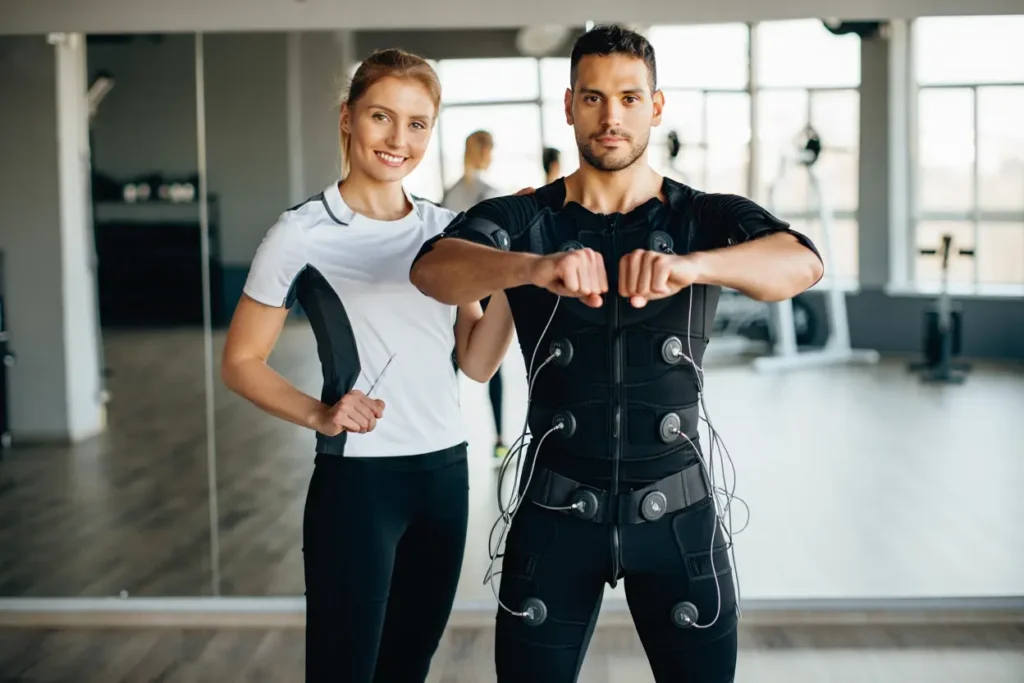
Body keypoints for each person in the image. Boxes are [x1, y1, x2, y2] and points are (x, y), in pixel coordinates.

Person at [409, 25, 824, 683]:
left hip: (681, 520)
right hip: (552, 518)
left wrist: (692, 267)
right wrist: (535, 267)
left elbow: (800, 263)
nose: (612, 117)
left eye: (630, 98)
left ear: (655, 107)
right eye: (595, 98)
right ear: (570, 104)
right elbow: (433, 269)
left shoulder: (702, 216)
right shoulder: (527, 220)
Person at [220, 48, 513, 683]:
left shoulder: (447, 232)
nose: (398, 139)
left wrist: (520, 275)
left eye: (416, 124)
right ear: (349, 117)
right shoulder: (300, 234)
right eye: (382, 116)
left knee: (408, 667)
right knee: (343, 669)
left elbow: (478, 364)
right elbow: (241, 361)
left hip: (444, 476)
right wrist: (319, 414)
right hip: (359, 486)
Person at [441, 130, 509, 459]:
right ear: (483, 150)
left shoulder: (450, 193)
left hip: (452, 286)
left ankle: (445, 427)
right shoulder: (490, 193)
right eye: (492, 149)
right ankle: (499, 438)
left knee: (453, 359)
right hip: (484, 286)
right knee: (492, 363)